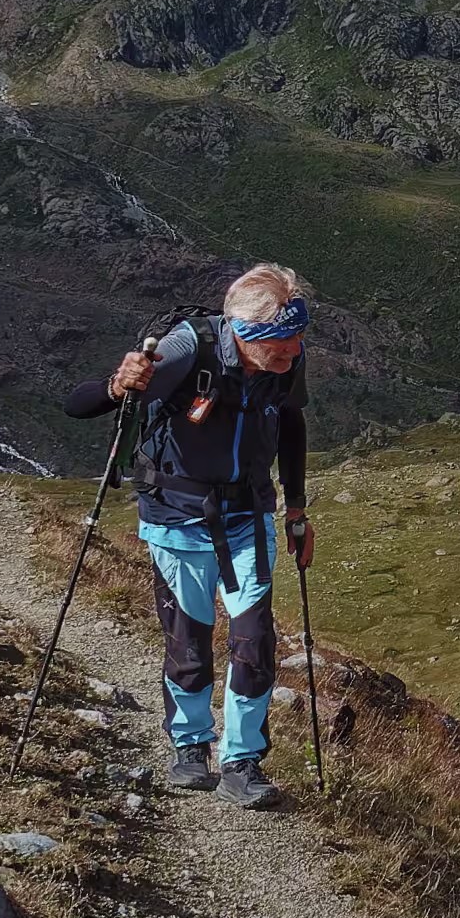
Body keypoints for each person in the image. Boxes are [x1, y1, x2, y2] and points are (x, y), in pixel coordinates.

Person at [67, 264, 314, 806]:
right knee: (189, 638)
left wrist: (296, 508)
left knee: (254, 637)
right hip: (176, 514)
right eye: (282, 344)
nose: (293, 353)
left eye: (296, 341)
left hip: (248, 514)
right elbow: (78, 404)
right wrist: (117, 384)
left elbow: (291, 424)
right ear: (246, 335)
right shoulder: (185, 351)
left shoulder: (283, 360)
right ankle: (189, 746)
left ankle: (242, 760)